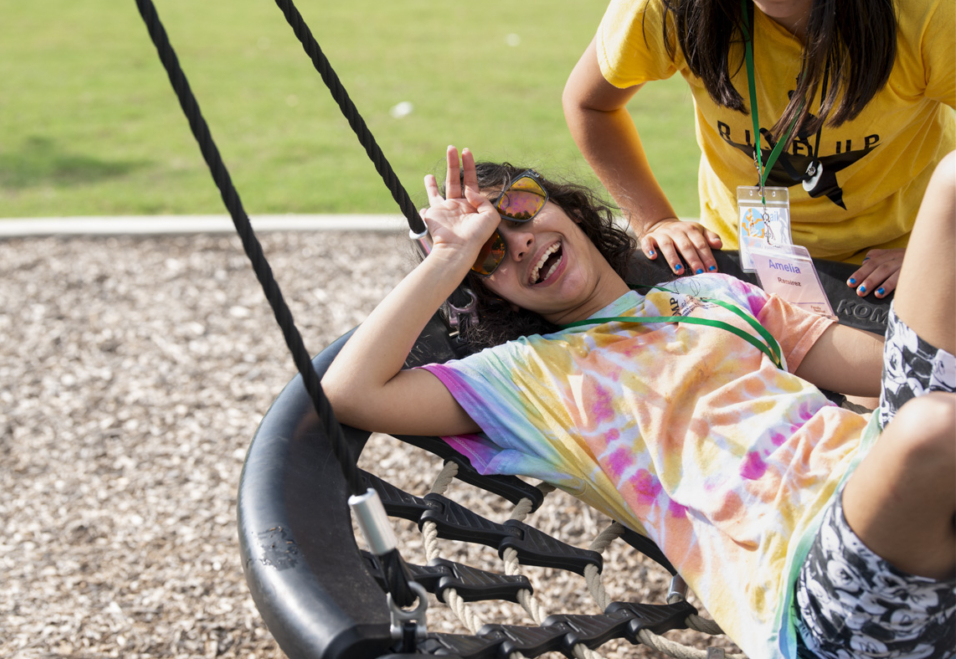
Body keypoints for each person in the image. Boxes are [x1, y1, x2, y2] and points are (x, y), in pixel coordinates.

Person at [321, 146, 956, 659]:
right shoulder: (532, 378)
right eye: (490, 253)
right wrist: (449, 257)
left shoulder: (715, 296)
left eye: (518, 210)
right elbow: (349, 393)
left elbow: (895, 366)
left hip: (897, 476)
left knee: (950, 183)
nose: (516, 244)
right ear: (488, 295)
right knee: (931, 429)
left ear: (564, 207)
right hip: (824, 594)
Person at [562, 0, 955, 299]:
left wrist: (939, 251)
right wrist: (656, 220)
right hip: (737, 262)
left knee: (893, 393)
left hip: (899, 263)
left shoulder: (925, 8)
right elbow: (590, 104)